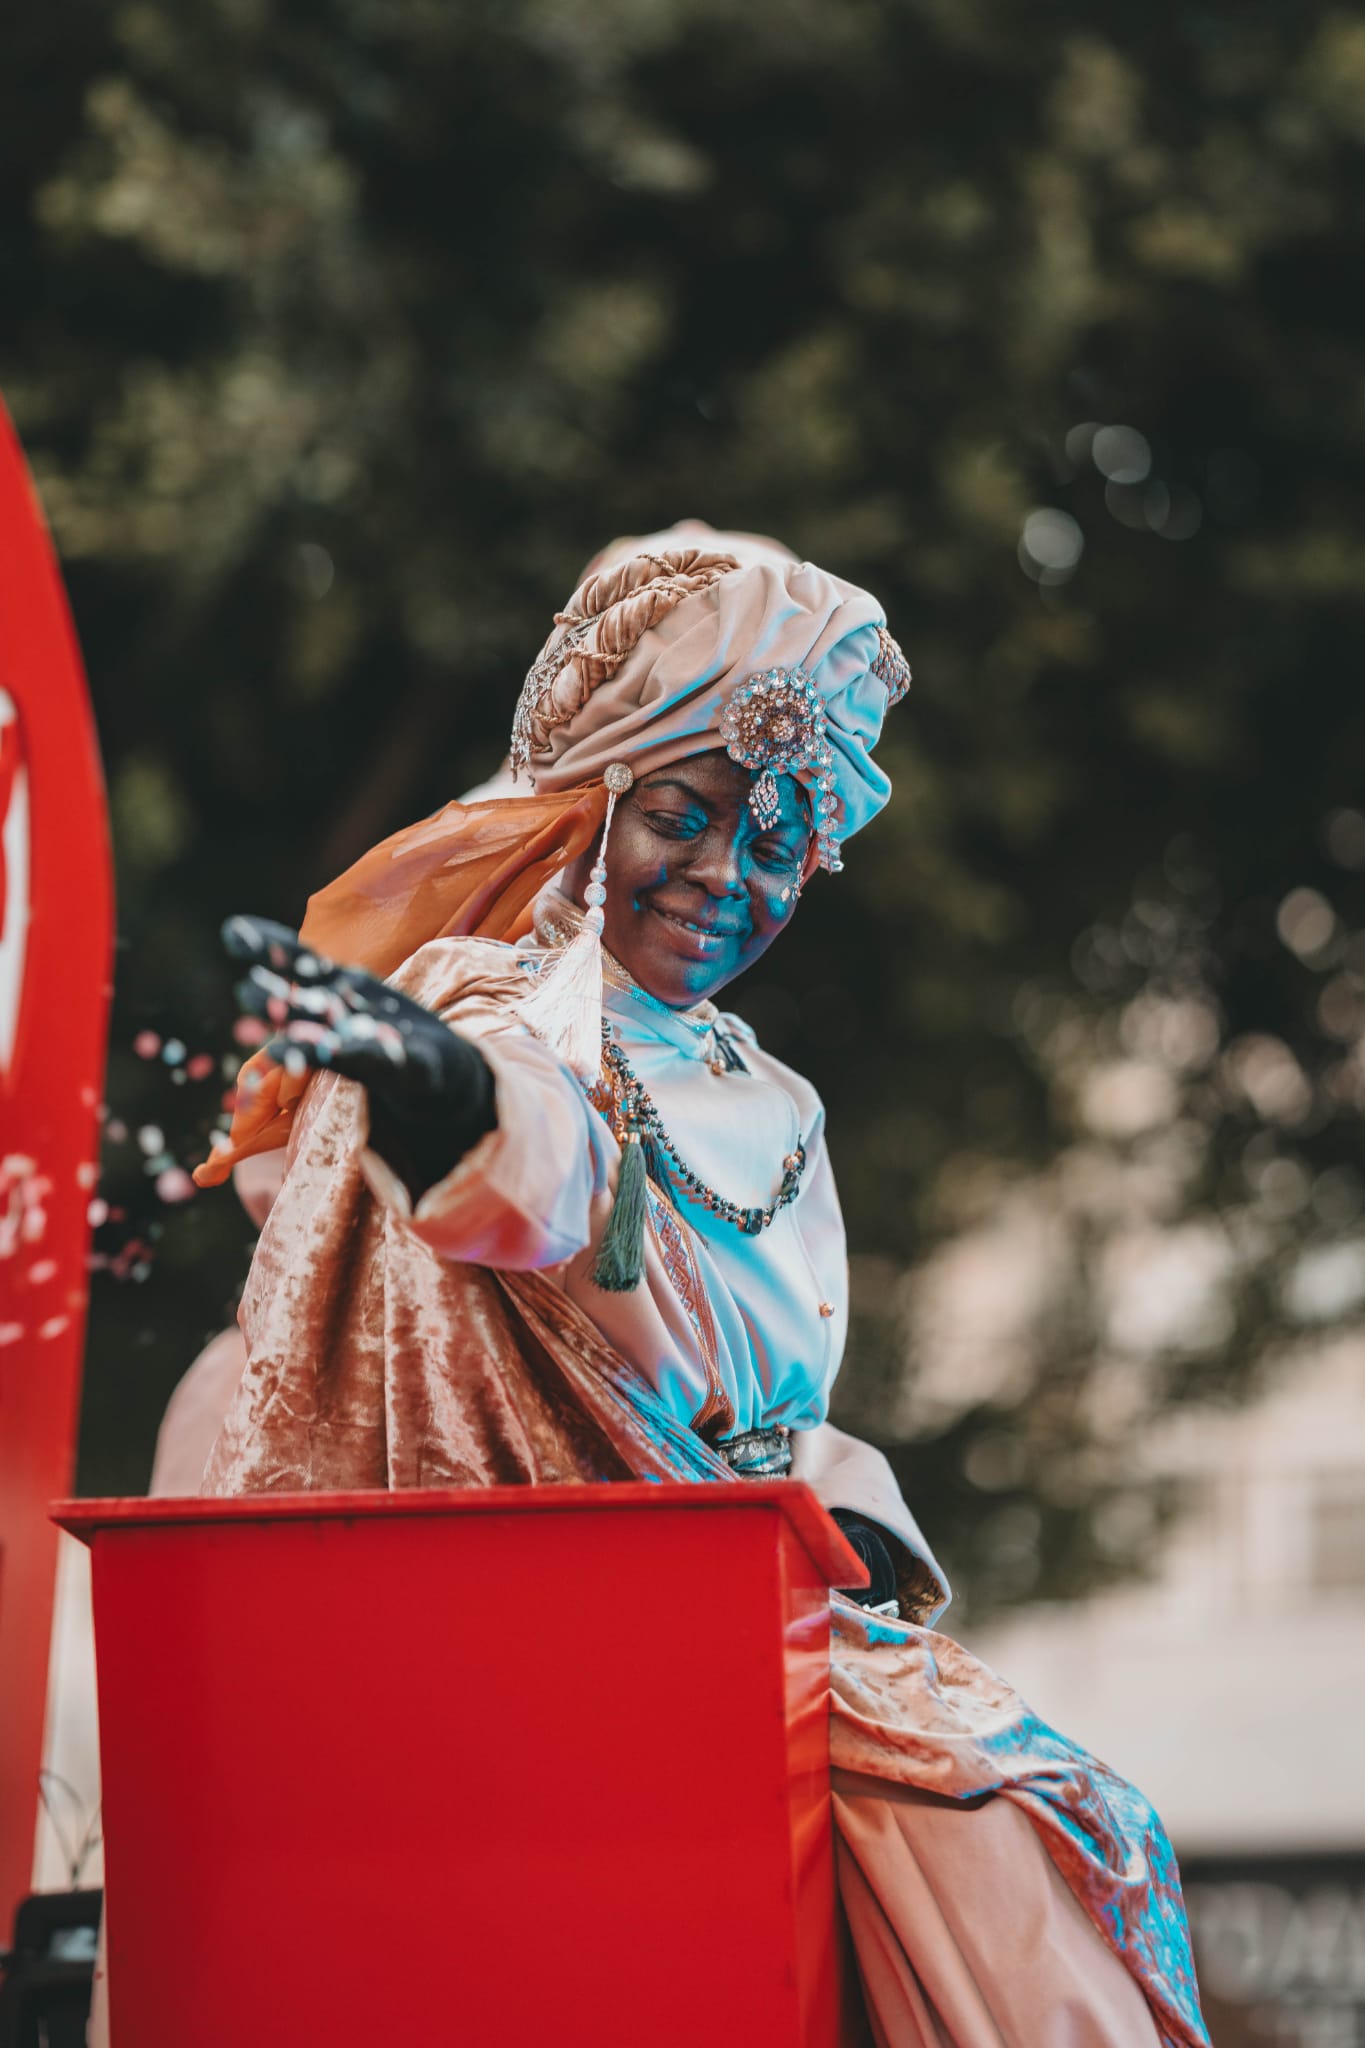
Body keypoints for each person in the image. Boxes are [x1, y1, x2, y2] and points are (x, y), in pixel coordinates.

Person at [194, 522, 1209, 2048]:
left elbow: (771, 1394)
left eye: (785, 833)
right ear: (592, 796)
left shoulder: (774, 1092)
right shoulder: (499, 1013)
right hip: (605, 1637)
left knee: (1093, 1822)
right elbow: (541, 1180)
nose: (727, 873)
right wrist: (424, 1084)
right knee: (1000, 1849)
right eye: (684, 812)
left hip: (772, 1603)